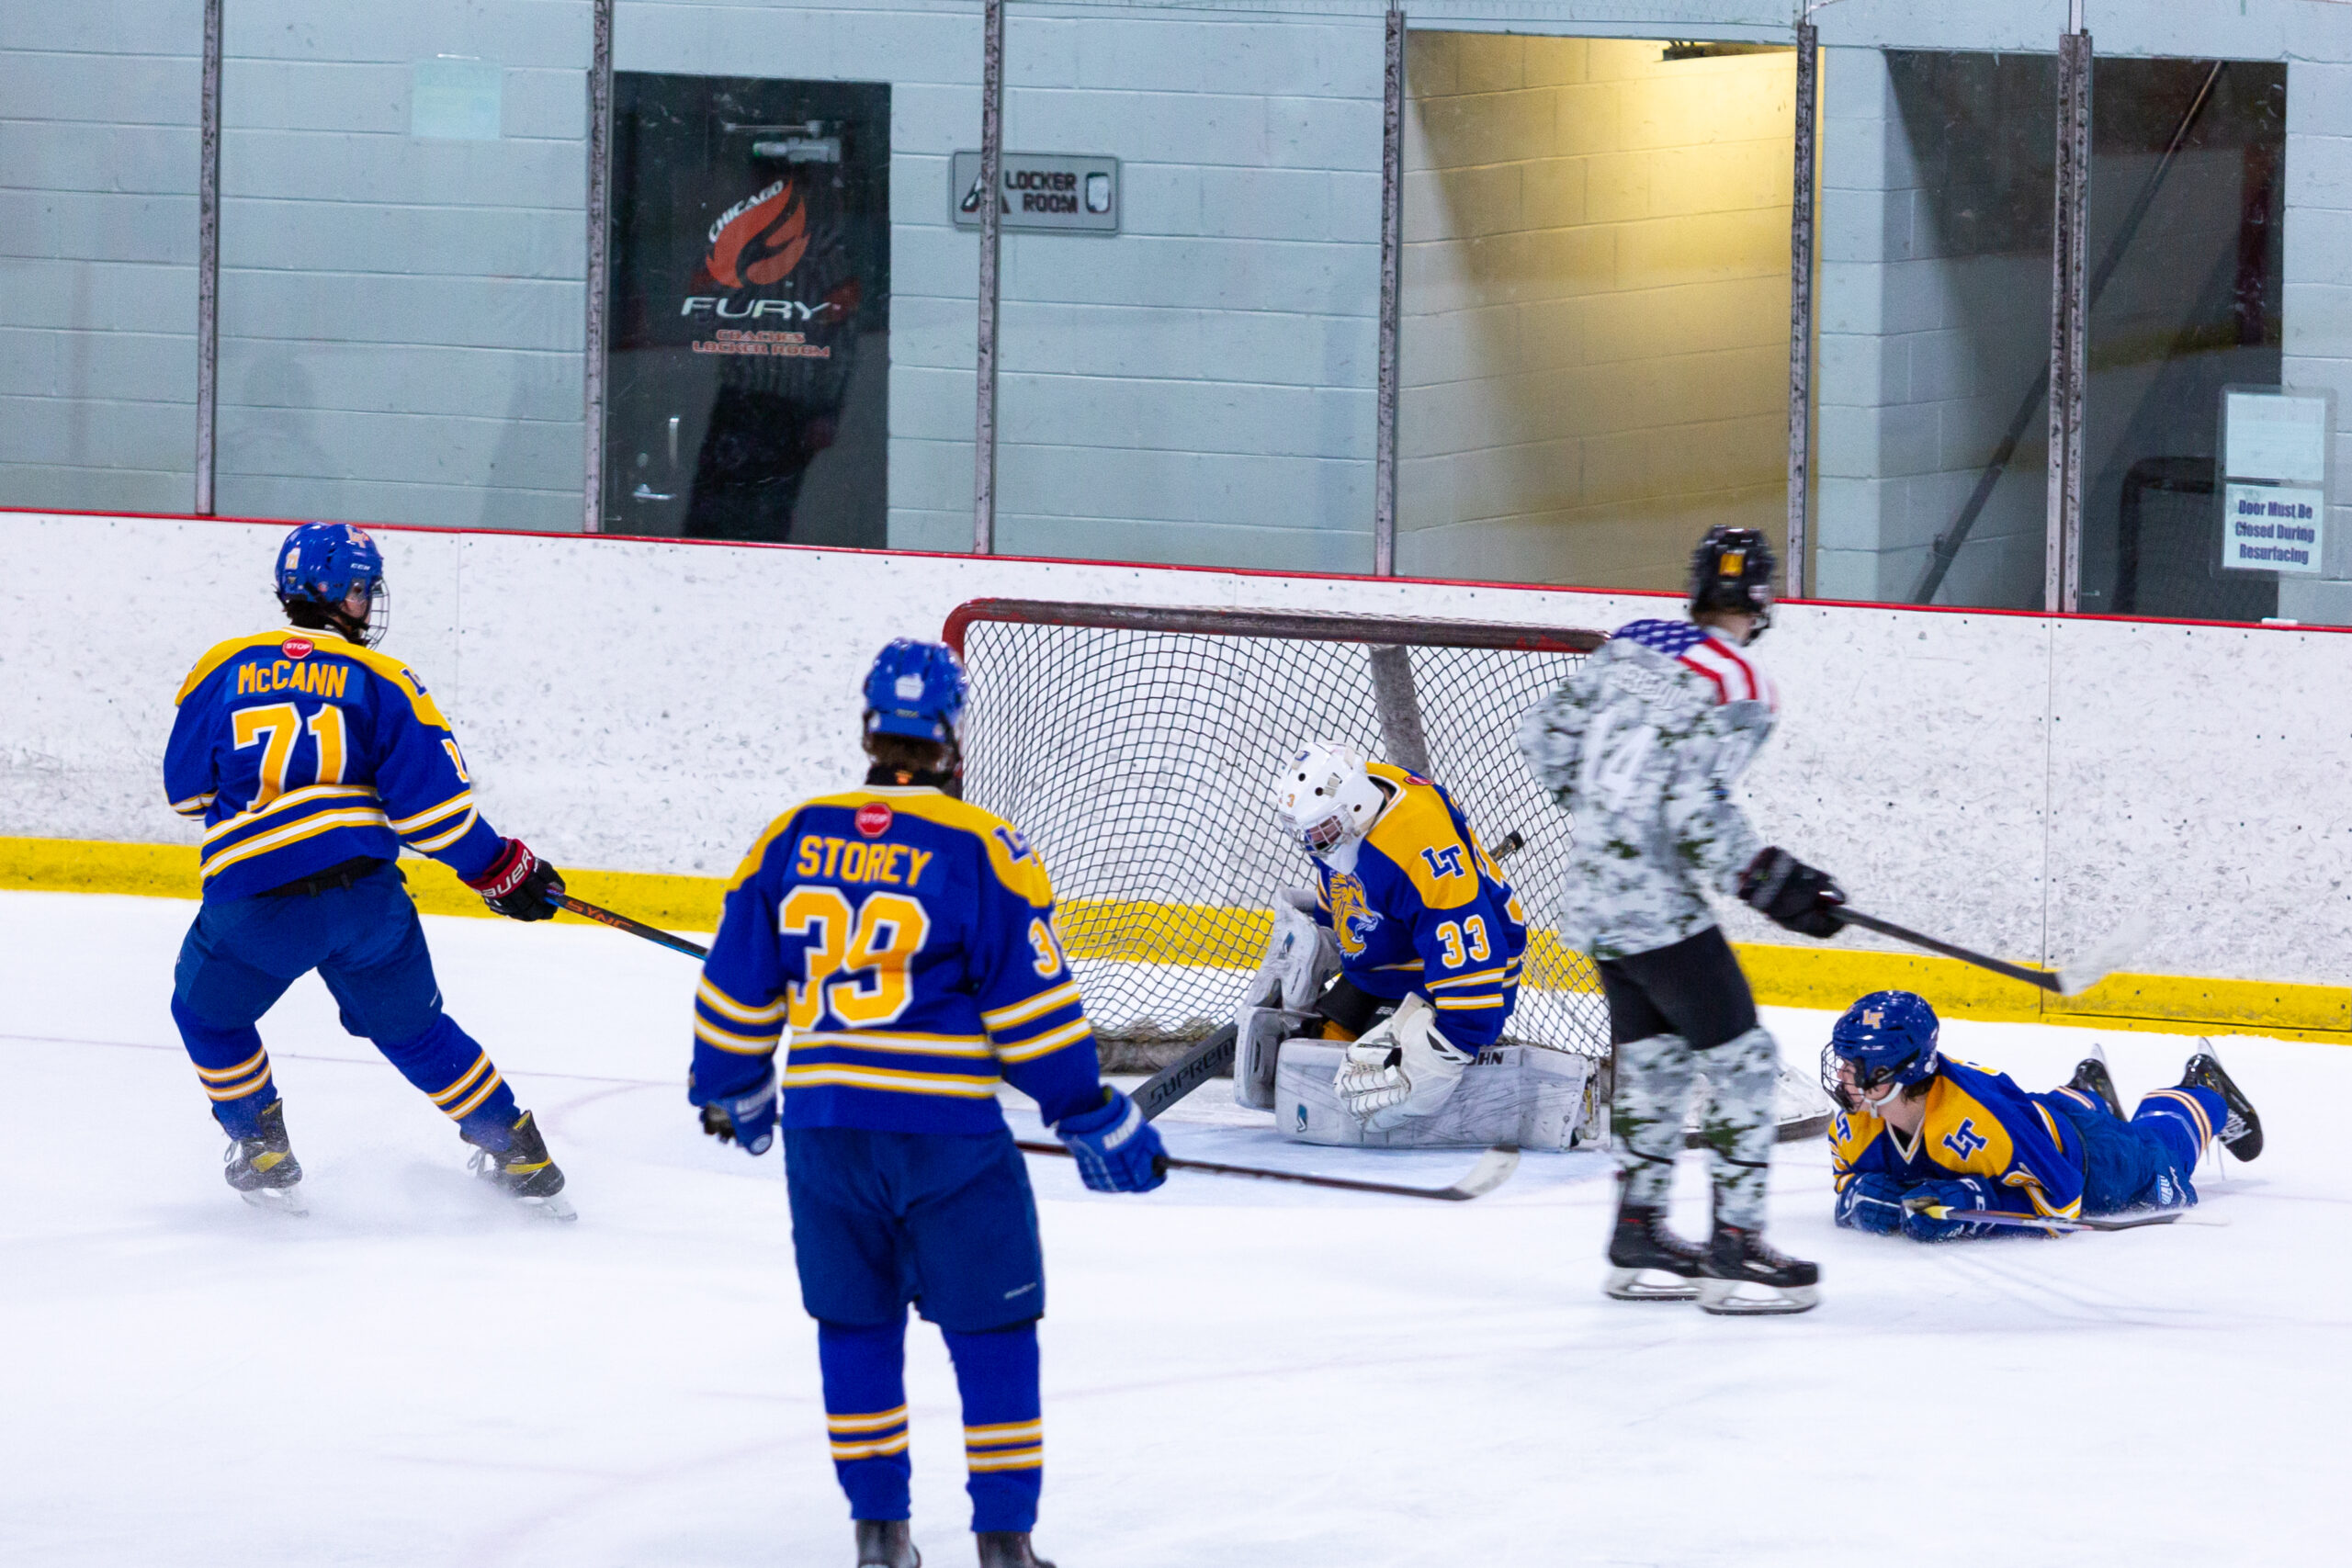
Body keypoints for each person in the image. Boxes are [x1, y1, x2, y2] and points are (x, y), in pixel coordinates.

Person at [687, 638, 1166, 1568]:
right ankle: (1004, 1546)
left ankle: (880, 1541)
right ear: (952, 734)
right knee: (994, 1331)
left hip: (827, 1134)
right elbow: (1031, 1014)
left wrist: (732, 1088)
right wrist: (1087, 1111)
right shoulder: (985, 847)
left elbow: (735, 989)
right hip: (948, 1140)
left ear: (869, 726)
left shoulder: (789, 834)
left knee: (855, 1326)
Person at [163, 523, 572, 1217]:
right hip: (366, 903)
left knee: (206, 1015)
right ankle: (518, 1151)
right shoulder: (385, 679)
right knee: (415, 1030)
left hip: (257, 902)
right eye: (360, 589)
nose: (366, 602)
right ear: (336, 593)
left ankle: (262, 1148)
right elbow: (437, 817)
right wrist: (503, 869)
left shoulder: (219, 667)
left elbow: (187, 795)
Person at [1516, 526, 1844, 1314]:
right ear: (1760, 601)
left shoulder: (1631, 643)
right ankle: (1736, 1247)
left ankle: (1639, 1234)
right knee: (1745, 1064)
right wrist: (1769, 879)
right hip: (1657, 909)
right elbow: (1695, 807)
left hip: (1593, 899)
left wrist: (1604, 823)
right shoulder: (1740, 681)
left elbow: (1544, 735)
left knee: (1657, 1062)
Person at [1236, 740, 1528, 1136]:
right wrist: (1325, 934)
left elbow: (1472, 947)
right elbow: (1349, 879)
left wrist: (1450, 1047)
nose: (1312, 843)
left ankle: (1464, 1057)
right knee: (1320, 1049)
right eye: (1304, 832)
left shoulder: (1419, 846)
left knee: (1374, 1070)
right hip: (1387, 957)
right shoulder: (1356, 803)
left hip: (1453, 973)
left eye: (1321, 830)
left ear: (1356, 806)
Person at [1825, 990, 2263, 1239]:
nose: (1842, 1074)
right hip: (2037, 1118)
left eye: (1854, 1065)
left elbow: (2065, 1202)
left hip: (2093, 1163)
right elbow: (1846, 1175)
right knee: (2046, 1118)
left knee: (2161, 1155)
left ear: (1897, 1072)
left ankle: (2204, 1091)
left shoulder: (1982, 1122)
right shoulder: (1856, 1118)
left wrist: (1980, 1205)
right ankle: (2087, 1090)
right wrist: (1856, 1196)